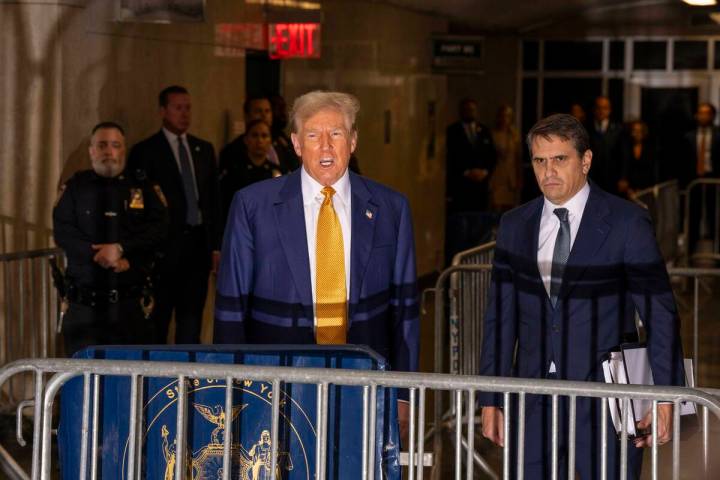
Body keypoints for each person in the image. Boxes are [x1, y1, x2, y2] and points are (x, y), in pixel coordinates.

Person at [479, 114, 685, 479]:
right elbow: (500, 317)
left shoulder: (626, 222)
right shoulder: (515, 225)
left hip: (606, 398)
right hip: (531, 396)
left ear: (585, 161)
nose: (548, 171)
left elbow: (659, 314)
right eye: (540, 161)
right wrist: (490, 398)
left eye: (560, 159)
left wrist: (666, 395)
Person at [214, 90, 419, 440]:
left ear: (352, 141)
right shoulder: (253, 206)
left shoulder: (391, 208)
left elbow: (406, 311)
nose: (326, 146)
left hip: (364, 385)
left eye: (336, 134)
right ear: (296, 144)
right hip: (275, 388)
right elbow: (232, 307)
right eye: (313, 135)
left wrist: (404, 392)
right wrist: (229, 389)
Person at [53, 122, 168, 355]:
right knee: (83, 380)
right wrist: (100, 255)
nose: (109, 151)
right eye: (102, 145)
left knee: (130, 381)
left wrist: (122, 249)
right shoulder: (76, 187)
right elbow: (63, 230)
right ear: (91, 150)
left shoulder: (143, 186)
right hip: (84, 306)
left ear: (123, 150)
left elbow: (160, 228)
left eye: (115, 145)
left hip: (130, 307)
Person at [127, 85, 221, 344]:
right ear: (163, 111)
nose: (184, 114)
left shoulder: (203, 149)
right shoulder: (145, 151)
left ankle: (188, 381)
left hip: (197, 249)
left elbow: (213, 201)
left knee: (191, 324)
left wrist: (216, 247)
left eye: (188, 107)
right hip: (164, 251)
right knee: (158, 321)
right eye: (178, 108)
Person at [445, 98, 497, 263]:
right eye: (466, 109)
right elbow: (450, 157)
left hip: (480, 187)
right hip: (461, 187)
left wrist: (485, 172)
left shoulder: (484, 130)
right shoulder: (452, 131)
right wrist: (466, 172)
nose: (470, 113)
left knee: (480, 224)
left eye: (472, 110)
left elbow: (492, 155)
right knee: (461, 227)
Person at [219, 119, 282, 222]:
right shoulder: (234, 172)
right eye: (255, 135)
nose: (260, 141)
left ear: (270, 141)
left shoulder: (277, 172)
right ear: (246, 140)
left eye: (264, 136)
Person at [220, 96, 299, 176]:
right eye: (258, 111)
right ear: (247, 116)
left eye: (267, 111)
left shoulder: (283, 144)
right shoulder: (233, 150)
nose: (264, 115)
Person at [682, 103, 720, 257]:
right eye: (700, 113)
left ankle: (717, 253)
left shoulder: (718, 134)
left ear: (712, 116)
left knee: (715, 215)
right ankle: (690, 254)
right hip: (694, 180)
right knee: (693, 215)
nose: (703, 116)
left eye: (707, 113)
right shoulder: (688, 136)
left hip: (714, 180)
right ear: (696, 115)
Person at [587, 96, 625, 194]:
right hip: (590, 178)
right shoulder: (585, 128)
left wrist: (623, 178)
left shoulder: (618, 129)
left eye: (605, 108)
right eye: (598, 108)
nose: (601, 111)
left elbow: (623, 155)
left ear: (610, 110)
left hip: (612, 179)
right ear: (594, 110)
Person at [490, 105, 523, 211]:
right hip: (496, 176)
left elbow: (518, 158)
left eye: (508, 116)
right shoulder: (493, 134)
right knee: (495, 208)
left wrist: (519, 178)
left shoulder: (514, 136)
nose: (505, 119)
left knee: (510, 209)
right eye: (503, 116)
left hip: (510, 178)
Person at [617, 120, 659, 198]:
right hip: (628, 192)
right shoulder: (625, 149)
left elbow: (651, 171)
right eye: (634, 131)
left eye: (639, 131)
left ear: (643, 133)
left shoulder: (650, 150)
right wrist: (628, 189)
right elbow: (622, 170)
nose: (636, 134)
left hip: (645, 191)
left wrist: (644, 190)